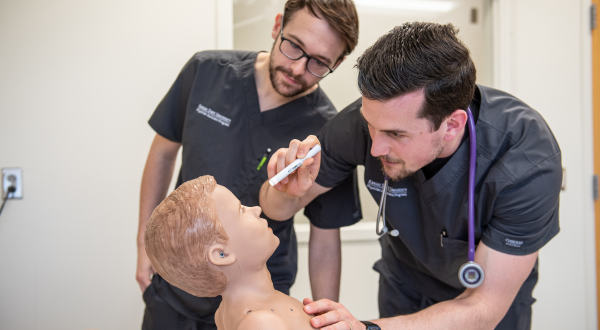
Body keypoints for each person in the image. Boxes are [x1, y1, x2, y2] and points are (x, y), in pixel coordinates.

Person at [259, 22, 561, 330]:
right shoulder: (363, 122)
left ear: (452, 125)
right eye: (370, 127)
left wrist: (365, 328)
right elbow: (275, 209)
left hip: (483, 307)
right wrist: (285, 190)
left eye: (395, 134)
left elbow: (482, 308)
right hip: (402, 288)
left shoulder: (526, 160)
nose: (375, 148)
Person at [136, 1, 360, 329]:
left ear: (338, 63)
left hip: (258, 293)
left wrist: (327, 316)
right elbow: (162, 153)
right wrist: (144, 245)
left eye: (319, 63)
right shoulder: (206, 72)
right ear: (277, 26)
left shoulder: (327, 134)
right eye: (294, 47)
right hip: (176, 284)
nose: (298, 69)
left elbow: (325, 234)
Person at [145, 175, 316, 330]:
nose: (256, 209)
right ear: (222, 254)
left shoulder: (225, 312)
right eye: (241, 210)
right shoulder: (261, 323)